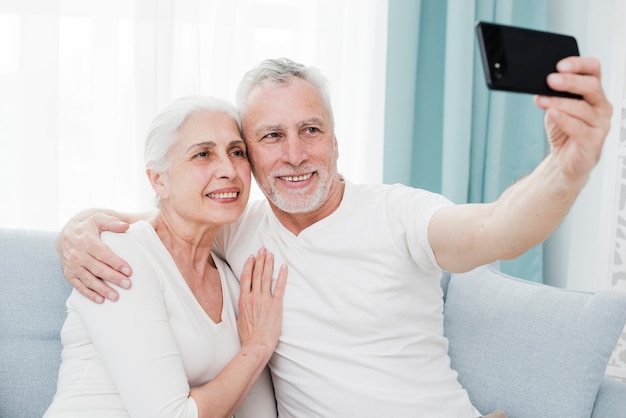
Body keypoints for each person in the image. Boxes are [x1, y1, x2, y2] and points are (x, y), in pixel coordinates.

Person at [57, 56, 612, 417]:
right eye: (271, 137)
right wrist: (77, 229)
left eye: (310, 131)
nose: (294, 155)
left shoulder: (398, 215)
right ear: (252, 156)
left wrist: (567, 166)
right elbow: (167, 219)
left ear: (337, 141)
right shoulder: (237, 228)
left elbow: (498, 231)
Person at [45, 96, 288, 418]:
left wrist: (256, 349)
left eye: (236, 152)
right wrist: (257, 348)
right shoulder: (118, 256)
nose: (228, 170)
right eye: (203, 154)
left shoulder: (232, 278)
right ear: (159, 180)